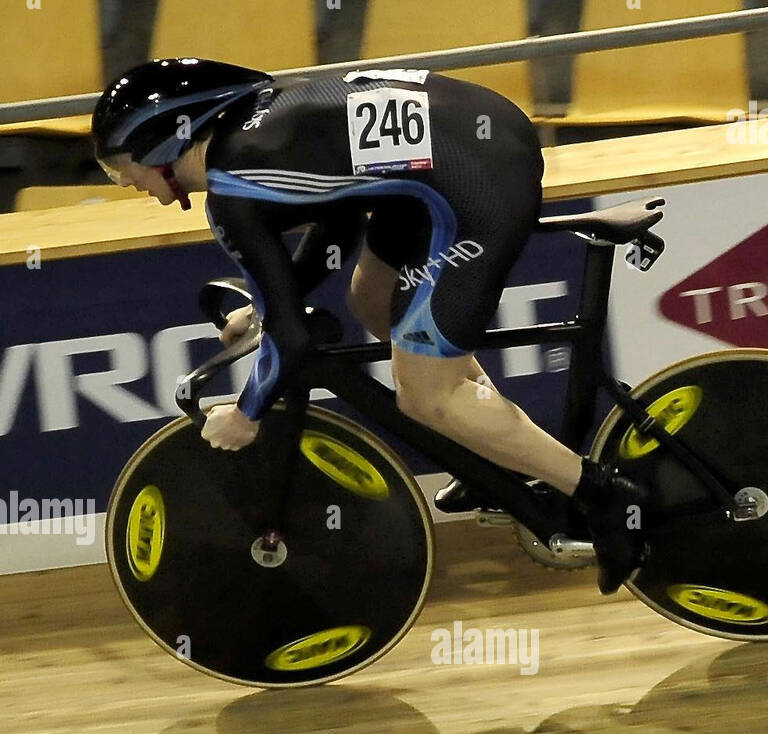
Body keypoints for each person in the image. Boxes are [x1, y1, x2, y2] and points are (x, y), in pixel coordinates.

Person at [92, 57, 650, 594]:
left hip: (476, 180)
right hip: (456, 154)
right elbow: (336, 223)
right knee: (370, 298)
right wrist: (269, 308)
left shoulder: (234, 191)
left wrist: (246, 413)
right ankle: (490, 462)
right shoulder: (252, 136)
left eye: (120, 166)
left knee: (426, 397)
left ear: (159, 141)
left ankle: (605, 497)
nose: (122, 182)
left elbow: (294, 339)